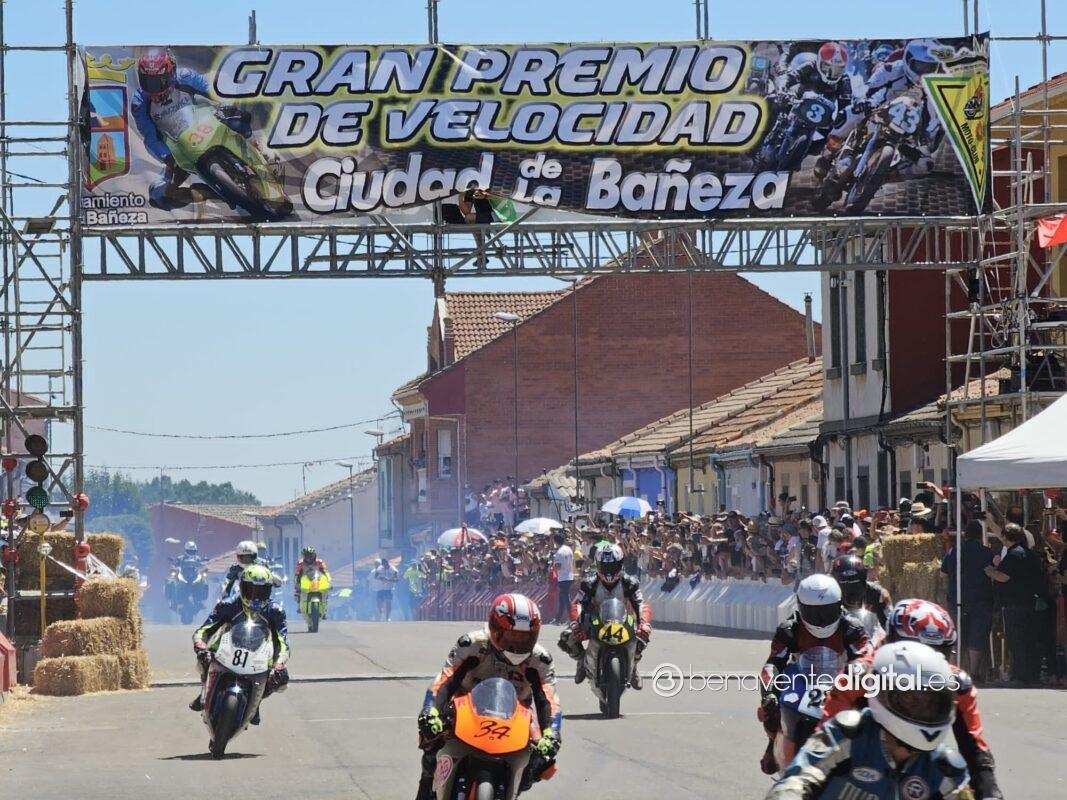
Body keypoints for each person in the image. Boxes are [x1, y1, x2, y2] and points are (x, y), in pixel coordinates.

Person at [822, 598, 1003, 800]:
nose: (926, 663)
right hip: (856, 771)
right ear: (892, 643)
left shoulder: (958, 685)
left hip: (920, 775)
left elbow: (975, 749)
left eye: (938, 653)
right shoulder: (859, 675)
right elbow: (825, 737)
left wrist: (990, 791)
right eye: (917, 650)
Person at [767, 641, 971, 800]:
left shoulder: (945, 769)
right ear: (883, 693)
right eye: (913, 700)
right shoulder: (847, 735)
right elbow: (800, 776)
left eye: (933, 703)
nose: (925, 710)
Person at [415, 594, 561, 800]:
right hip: (464, 707)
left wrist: (552, 734)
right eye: (512, 635)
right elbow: (444, 680)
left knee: (544, 761)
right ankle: (427, 787)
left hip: (517, 714)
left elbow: (549, 700)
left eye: (525, 637)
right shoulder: (472, 644)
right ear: (495, 628)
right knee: (430, 738)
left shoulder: (540, 660)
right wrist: (430, 710)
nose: (517, 643)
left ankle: (516, 784)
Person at [757, 573, 870, 774]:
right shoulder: (789, 629)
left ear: (839, 605)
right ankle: (773, 740)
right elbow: (773, 663)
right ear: (801, 607)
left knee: (868, 707)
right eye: (813, 612)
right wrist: (769, 694)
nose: (821, 620)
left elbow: (864, 657)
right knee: (769, 707)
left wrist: (857, 672)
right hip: (802, 679)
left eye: (827, 612)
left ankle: (868, 756)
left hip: (840, 680)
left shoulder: (852, 627)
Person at [131, 48, 253, 210]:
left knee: (240, 121)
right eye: (147, 81)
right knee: (158, 196)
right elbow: (149, 136)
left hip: (205, 125)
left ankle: (258, 152)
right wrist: (167, 156)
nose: (153, 88)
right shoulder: (139, 103)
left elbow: (213, 90)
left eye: (159, 81)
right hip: (178, 149)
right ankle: (211, 193)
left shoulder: (185, 76)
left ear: (171, 72)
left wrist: (227, 105)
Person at [189, 564, 289, 726]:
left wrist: (279, 664)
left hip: (260, 654)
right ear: (242, 587)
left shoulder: (275, 611)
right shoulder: (228, 605)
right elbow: (205, 628)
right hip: (226, 647)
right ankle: (204, 692)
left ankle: (256, 702)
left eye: (261, 591)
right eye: (251, 590)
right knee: (204, 658)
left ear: (269, 591)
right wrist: (200, 644)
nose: (256, 596)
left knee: (281, 678)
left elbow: (283, 641)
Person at [558, 543, 652, 688]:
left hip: (623, 622)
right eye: (605, 566)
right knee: (567, 636)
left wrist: (644, 623)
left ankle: (633, 666)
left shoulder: (630, 582)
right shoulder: (589, 583)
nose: (609, 571)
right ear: (598, 565)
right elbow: (577, 604)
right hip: (596, 622)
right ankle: (581, 660)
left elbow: (641, 603)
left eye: (612, 566)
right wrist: (576, 623)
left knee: (643, 635)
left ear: (620, 564)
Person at [984, 523, 1044, 684]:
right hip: (1029, 602)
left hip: (1014, 604)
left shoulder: (1013, 555)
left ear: (1005, 537)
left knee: (1017, 641)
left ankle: (1019, 676)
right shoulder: (1028, 553)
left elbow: (1004, 577)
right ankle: (1031, 675)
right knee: (1028, 640)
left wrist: (990, 571)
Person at [940, 520, 996, 680]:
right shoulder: (986, 552)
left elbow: (943, 574)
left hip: (957, 597)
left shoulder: (954, 551)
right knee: (977, 635)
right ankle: (974, 672)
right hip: (980, 598)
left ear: (965, 535)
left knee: (956, 635)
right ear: (980, 535)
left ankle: (953, 671)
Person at [830, 554, 892, 628]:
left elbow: (890, 625)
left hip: (869, 632)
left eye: (856, 586)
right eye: (848, 586)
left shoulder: (878, 594)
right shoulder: (829, 598)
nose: (852, 591)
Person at [294, 545, 330, 620]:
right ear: (304, 556)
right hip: (305, 581)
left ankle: (324, 610)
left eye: (310, 555)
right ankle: (299, 605)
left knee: (325, 592)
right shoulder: (300, 563)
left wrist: (328, 580)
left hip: (317, 580)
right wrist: (297, 584)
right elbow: (297, 574)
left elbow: (325, 572)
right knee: (298, 591)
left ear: (314, 555)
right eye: (307, 556)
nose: (309, 558)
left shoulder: (319, 562)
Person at [551, 531, 575, 624]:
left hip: (563, 577)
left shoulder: (559, 552)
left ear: (555, 541)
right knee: (562, 599)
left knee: (566, 599)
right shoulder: (568, 549)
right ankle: (558, 619)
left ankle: (572, 618)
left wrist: (553, 566)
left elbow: (558, 566)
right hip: (569, 575)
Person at [370, 557, 400, 621]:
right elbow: (375, 577)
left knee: (388, 603)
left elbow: (396, 579)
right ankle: (381, 613)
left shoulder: (392, 569)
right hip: (380, 588)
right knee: (379, 603)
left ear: (387, 563)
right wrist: (381, 578)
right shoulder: (380, 568)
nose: (385, 566)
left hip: (389, 589)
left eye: (386, 564)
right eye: (383, 565)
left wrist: (389, 580)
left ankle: (387, 617)